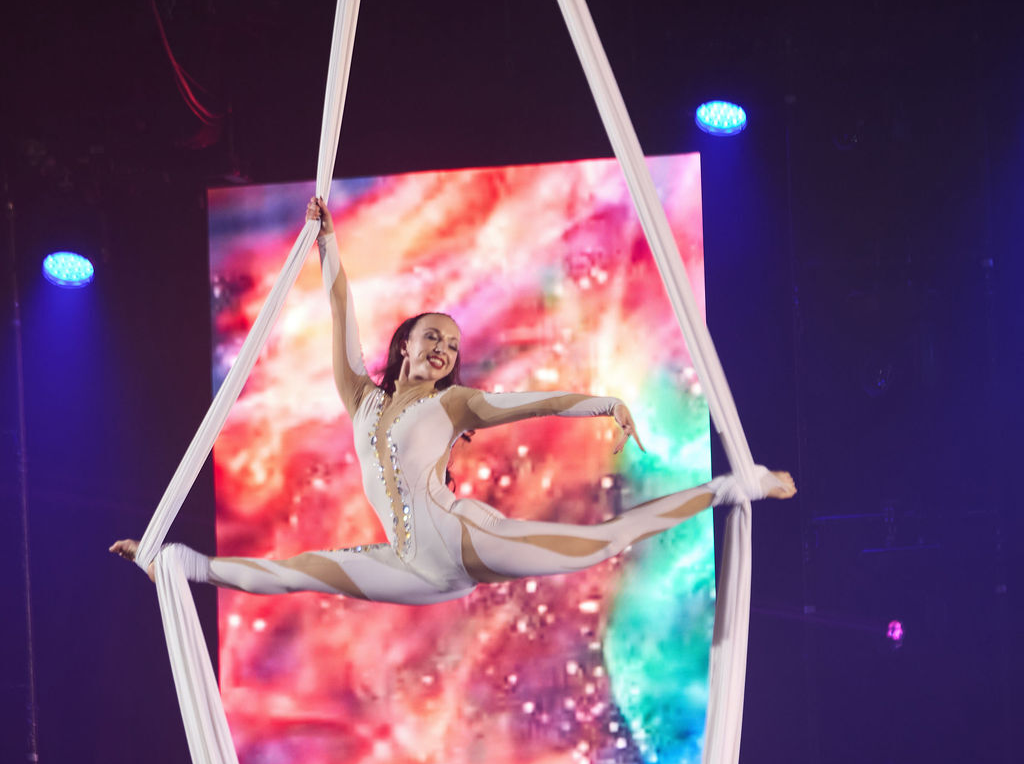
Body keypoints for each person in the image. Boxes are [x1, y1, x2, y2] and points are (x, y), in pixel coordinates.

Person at [112, 197, 794, 602]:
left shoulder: (455, 404)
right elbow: (342, 310)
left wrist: (602, 402)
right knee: (294, 574)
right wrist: (327, 242)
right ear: (405, 345)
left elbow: (531, 404)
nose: (443, 349)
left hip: (466, 539)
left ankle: (735, 487)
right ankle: (171, 563)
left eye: (452, 345)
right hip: (411, 566)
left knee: (602, 543)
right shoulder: (362, 399)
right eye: (432, 337)